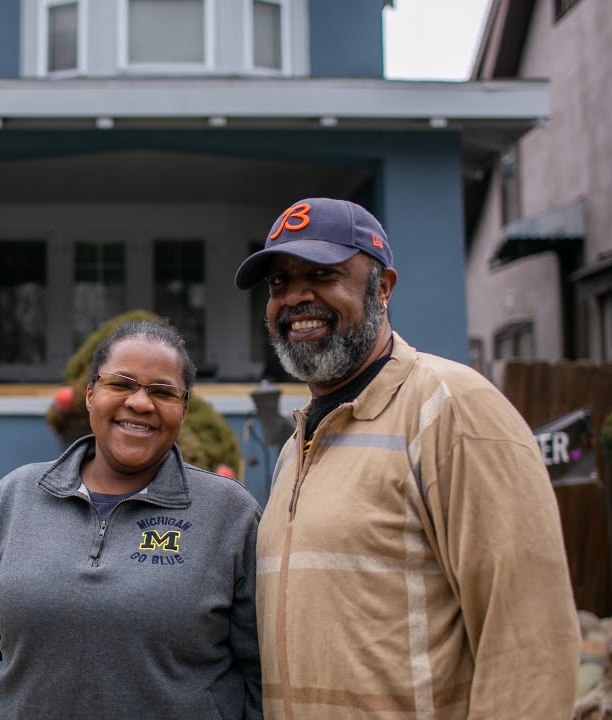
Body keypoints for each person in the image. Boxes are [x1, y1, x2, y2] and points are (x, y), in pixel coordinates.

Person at [234, 197, 580, 719]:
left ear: (384, 288)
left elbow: (530, 644)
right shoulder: (295, 446)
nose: (295, 298)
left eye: (323, 274)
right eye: (279, 282)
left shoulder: (454, 410)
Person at [0, 319, 264, 720]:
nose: (140, 403)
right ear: (90, 394)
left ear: (183, 410)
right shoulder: (14, 498)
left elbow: (261, 669)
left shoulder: (229, 514)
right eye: (121, 384)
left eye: (163, 392)